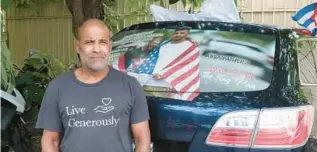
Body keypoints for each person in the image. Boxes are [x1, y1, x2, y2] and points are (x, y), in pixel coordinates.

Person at [36, 19, 151, 152]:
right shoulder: (57, 87)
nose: (97, 49)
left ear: (109, 46)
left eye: (102, 42)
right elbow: (50, 141)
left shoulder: (131, 86)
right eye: (89, 42)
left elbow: (142, 140)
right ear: (78, 47)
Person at [136, 26, 201, 101]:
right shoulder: (164, 43)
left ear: (187, 33)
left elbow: (188, 66)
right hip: (144, 82)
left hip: (164, 86)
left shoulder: (191, 47)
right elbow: (151, 58)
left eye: (182, 33)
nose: (178, 34)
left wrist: (163, 74)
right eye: (176, 33)